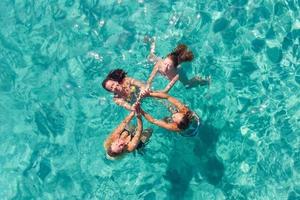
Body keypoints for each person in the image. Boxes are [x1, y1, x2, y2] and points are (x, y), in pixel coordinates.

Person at [146, 39, 210, 93]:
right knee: (150, 57)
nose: (165, 68)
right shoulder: (160, 63)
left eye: (169, 67)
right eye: (165, 64)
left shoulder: (178, 73)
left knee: (187, 85)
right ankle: (152, 42)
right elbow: (150, 78)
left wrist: (158, 92)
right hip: (163, 60)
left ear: (175, 68)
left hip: (178, 68)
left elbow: (165, 91)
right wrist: (148, 86)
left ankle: (205, 80)